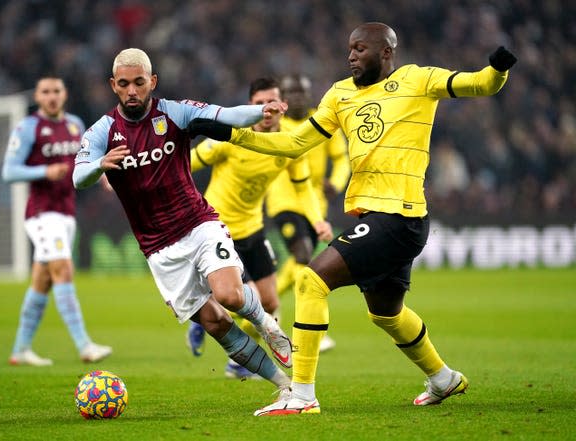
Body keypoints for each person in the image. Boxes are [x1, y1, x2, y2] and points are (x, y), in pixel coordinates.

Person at [187, 22, 517, 415]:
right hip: (381, 217)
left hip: (399, 217)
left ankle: (303, 396)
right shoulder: (339, 94)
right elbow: (293, 143)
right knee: (386, 313)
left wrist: (497, 69)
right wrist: (233, 134)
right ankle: (444, 378)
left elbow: (481, 84)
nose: (352, 55)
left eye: (361, 48)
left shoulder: (418, 79)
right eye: (349, 49)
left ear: (387, 52)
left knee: (311, 282)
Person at [72, 48, 293, 392]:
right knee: (216, 323)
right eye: (125, 84)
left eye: (140, 83)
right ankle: (284, 385)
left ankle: (268, 325)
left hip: (197, 224)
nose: (133, 91)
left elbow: (226, 115)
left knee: (231, 295)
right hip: (158, 248)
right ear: (113, 85)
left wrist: (260, 111)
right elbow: (78, 177)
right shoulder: (102, 132)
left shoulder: (175, 112)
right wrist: (99, 166)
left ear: (152, 82)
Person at [186, 77, 333, 378]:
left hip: (253, 227)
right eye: (258, 104)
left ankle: (235, 360)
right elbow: (187, 162)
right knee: (244, 296)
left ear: (283, 105)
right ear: (248, 107)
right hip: (217, 227)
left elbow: (303, 187)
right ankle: (209, 319)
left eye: (272, 103)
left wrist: (317, 218)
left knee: (269, 301)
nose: (267, 110)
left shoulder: (291, 142)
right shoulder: (231, 137)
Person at [2, 75, 112, 366]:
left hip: (65, 212)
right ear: (37, 97)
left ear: (65, 95)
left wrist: (102, 177)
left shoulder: (75, 124)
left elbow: (86, 159)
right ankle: (84, 345)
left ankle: (21, 349)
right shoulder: (29, 127)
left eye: (56, 91)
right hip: (41, 213)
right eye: (45, 92)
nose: (51, 96)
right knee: (63, 268)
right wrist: (43, 173)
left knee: (42, 280)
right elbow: (9, 171)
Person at [266, 74, 350, 353]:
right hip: (284, 200)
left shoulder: (323, 122)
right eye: (291, 92)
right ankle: (310, 329)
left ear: (309, 93)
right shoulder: (276, 125)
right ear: (282, 97)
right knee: (303, 256)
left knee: (299, 263)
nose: (297, 97)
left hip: (316, 205)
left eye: (301, 92)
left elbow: (341, 160)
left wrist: (336, 185)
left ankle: (254, 304)